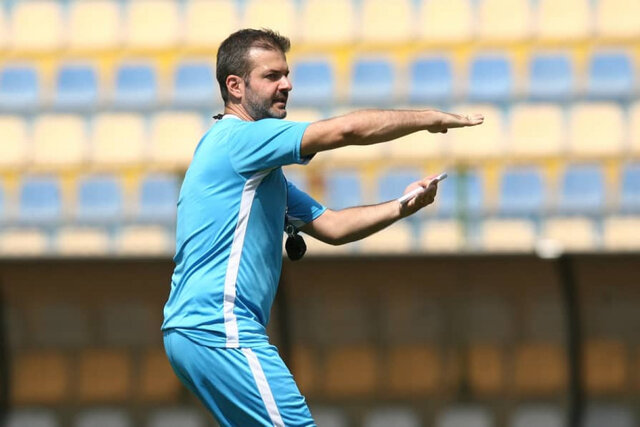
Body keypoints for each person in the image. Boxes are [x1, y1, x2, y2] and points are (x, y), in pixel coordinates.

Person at [162, 28, 483, 427]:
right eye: (272, 76)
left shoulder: (257, 172)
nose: (286, 85)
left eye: (286, 74)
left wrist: (403, 205)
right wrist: (428, 119)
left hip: (193, 331)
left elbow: (331, 226)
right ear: (235, 86)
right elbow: (345, 130)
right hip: (219, 327)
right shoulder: (240, 139)